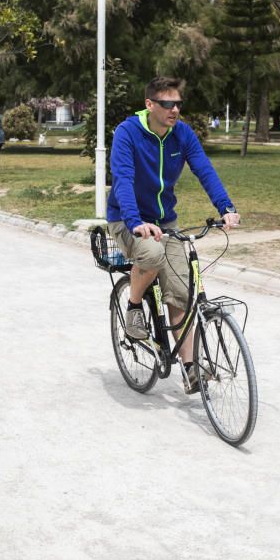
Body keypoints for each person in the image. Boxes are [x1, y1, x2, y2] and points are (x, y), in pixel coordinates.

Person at [107, 76, 240, 394]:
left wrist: (226, 207)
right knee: (151, 256)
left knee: (181, 290)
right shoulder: (128, 132)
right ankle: (135, 306)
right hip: (127, 220)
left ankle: (191, 368)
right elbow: (123, 179)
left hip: (165, 222)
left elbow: (204, 168)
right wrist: (136, 221)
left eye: (178, 103)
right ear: (150, 104)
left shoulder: (182, 134)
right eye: (167, 104)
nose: (175, 109)